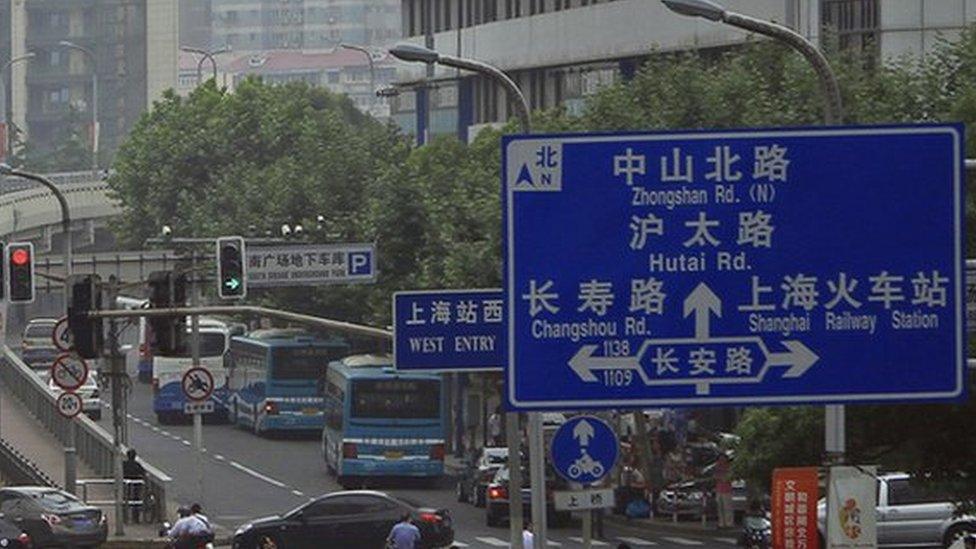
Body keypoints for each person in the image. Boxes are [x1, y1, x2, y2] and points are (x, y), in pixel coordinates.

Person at [122, 448, 145, 523]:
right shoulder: (137, 465)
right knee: (136, 499)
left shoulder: (124, 464)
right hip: (136, 484)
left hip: (126, 485)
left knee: (125, 499)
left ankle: (125, 517)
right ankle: (136, 518)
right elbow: (143, 472)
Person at [714, 453, 734, 529]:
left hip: (727, 489)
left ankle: (729, 523)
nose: (721, 460)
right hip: (719, 489)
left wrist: (723, 478)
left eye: (723, 459)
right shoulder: (717, 467)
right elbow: (715, 476)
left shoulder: (729, 467)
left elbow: (730, 477)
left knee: (727, 507)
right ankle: (721, 523)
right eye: (720, 459)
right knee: (720, 507)